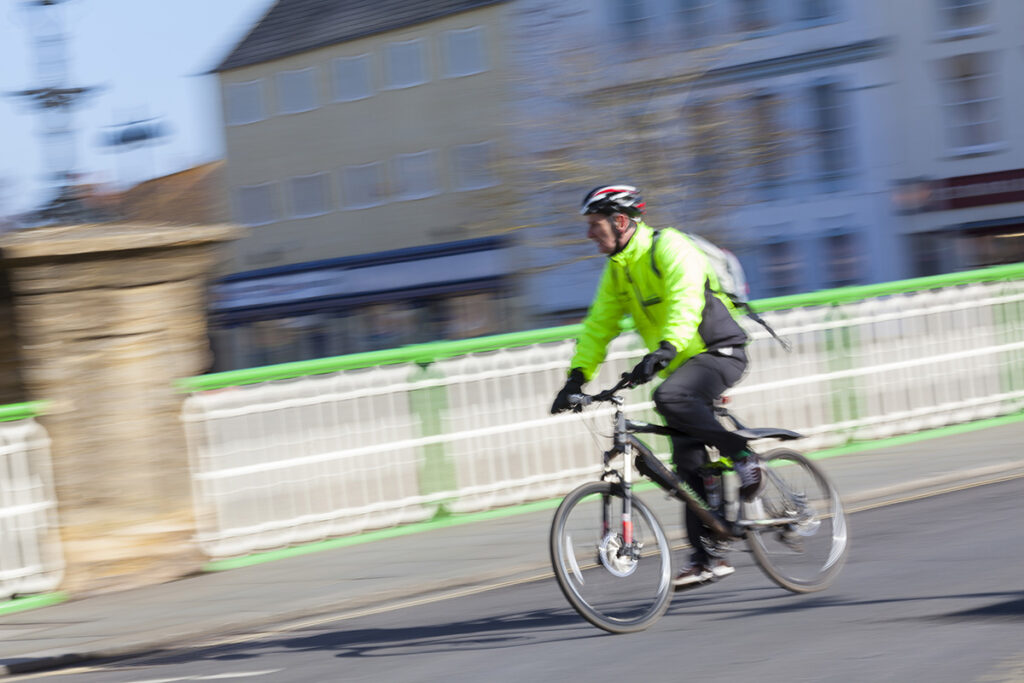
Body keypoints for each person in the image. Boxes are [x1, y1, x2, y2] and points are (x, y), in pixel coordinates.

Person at [550, 184, 764, 589]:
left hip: (719, 351)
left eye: (595, 225)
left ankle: (742, 454)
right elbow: (598, 326)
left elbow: (686, 300)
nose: (589, 234)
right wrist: (576, 378)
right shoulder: (619, 270)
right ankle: (707, 557)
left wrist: (666, 348)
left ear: (621, 221)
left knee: (667, 397)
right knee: (688, 465)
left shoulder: (669, 247)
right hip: (680, 363)